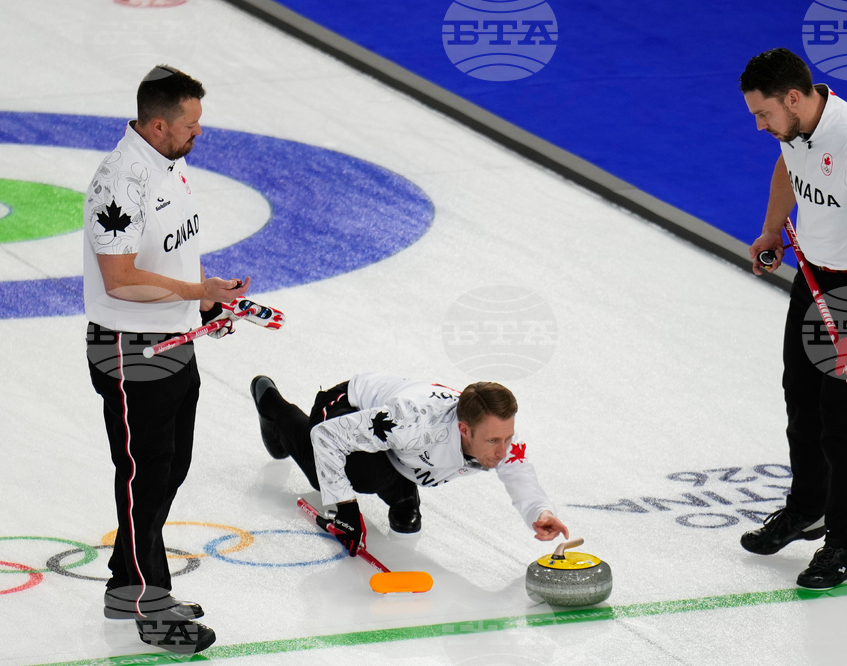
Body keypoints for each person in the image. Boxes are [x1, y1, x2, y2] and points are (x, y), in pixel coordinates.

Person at [85, 65, 251, 653]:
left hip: (172, 343)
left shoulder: (169, 166)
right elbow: (121, 279)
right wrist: (194, 296)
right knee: (144, 479)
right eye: (191, 124)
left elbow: (169, 256)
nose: (197, 133)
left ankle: (124, 582)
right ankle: (152, 610)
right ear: (158, 125)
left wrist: (206, 297)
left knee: (167, 470)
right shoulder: (120, 181)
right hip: (132, 353)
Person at [738, 48, 847, 589]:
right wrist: (771, 229)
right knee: (800, 401)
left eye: (763, 114)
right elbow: (789, 169)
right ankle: (805, 508)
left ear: (793, 97)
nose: (760, 125)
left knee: (842, 423)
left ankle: (844, 545)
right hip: (813, 276)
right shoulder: (794, 133)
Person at [250, 373, 569, 555]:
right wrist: (343, 507)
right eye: (493, 442)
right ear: (464, 429)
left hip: (397, 448)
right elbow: (327, 437)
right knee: (354, 475)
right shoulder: (411, 422)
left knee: (382, 476)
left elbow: (517, 469)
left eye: (507, 438)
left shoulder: (494, 430)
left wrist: (540, 512)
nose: (503, 451)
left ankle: (401, 489)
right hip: (344, 409)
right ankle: (273, 407)